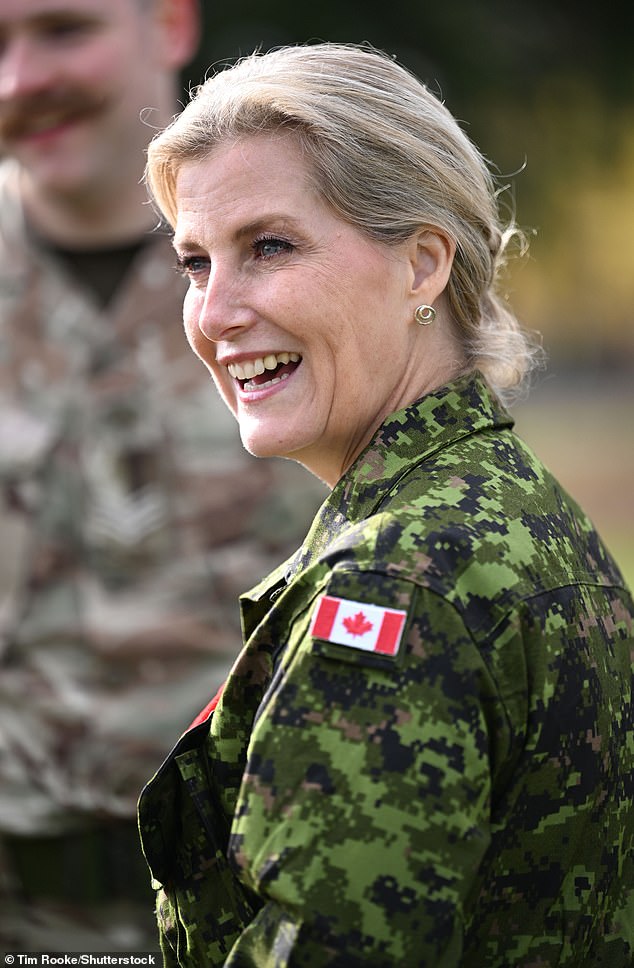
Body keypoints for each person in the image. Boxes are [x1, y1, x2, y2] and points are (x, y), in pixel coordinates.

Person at [137, 43, 634, 966]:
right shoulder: (513, 506)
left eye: (270, 246)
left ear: (422, 266)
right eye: (196, 264)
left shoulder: (391, 585)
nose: (214, 314)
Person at [0, 2, 322, 952]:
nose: (20, 81)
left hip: (262, 917)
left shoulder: (319, 274)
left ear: (170, 24)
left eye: (63, 30)